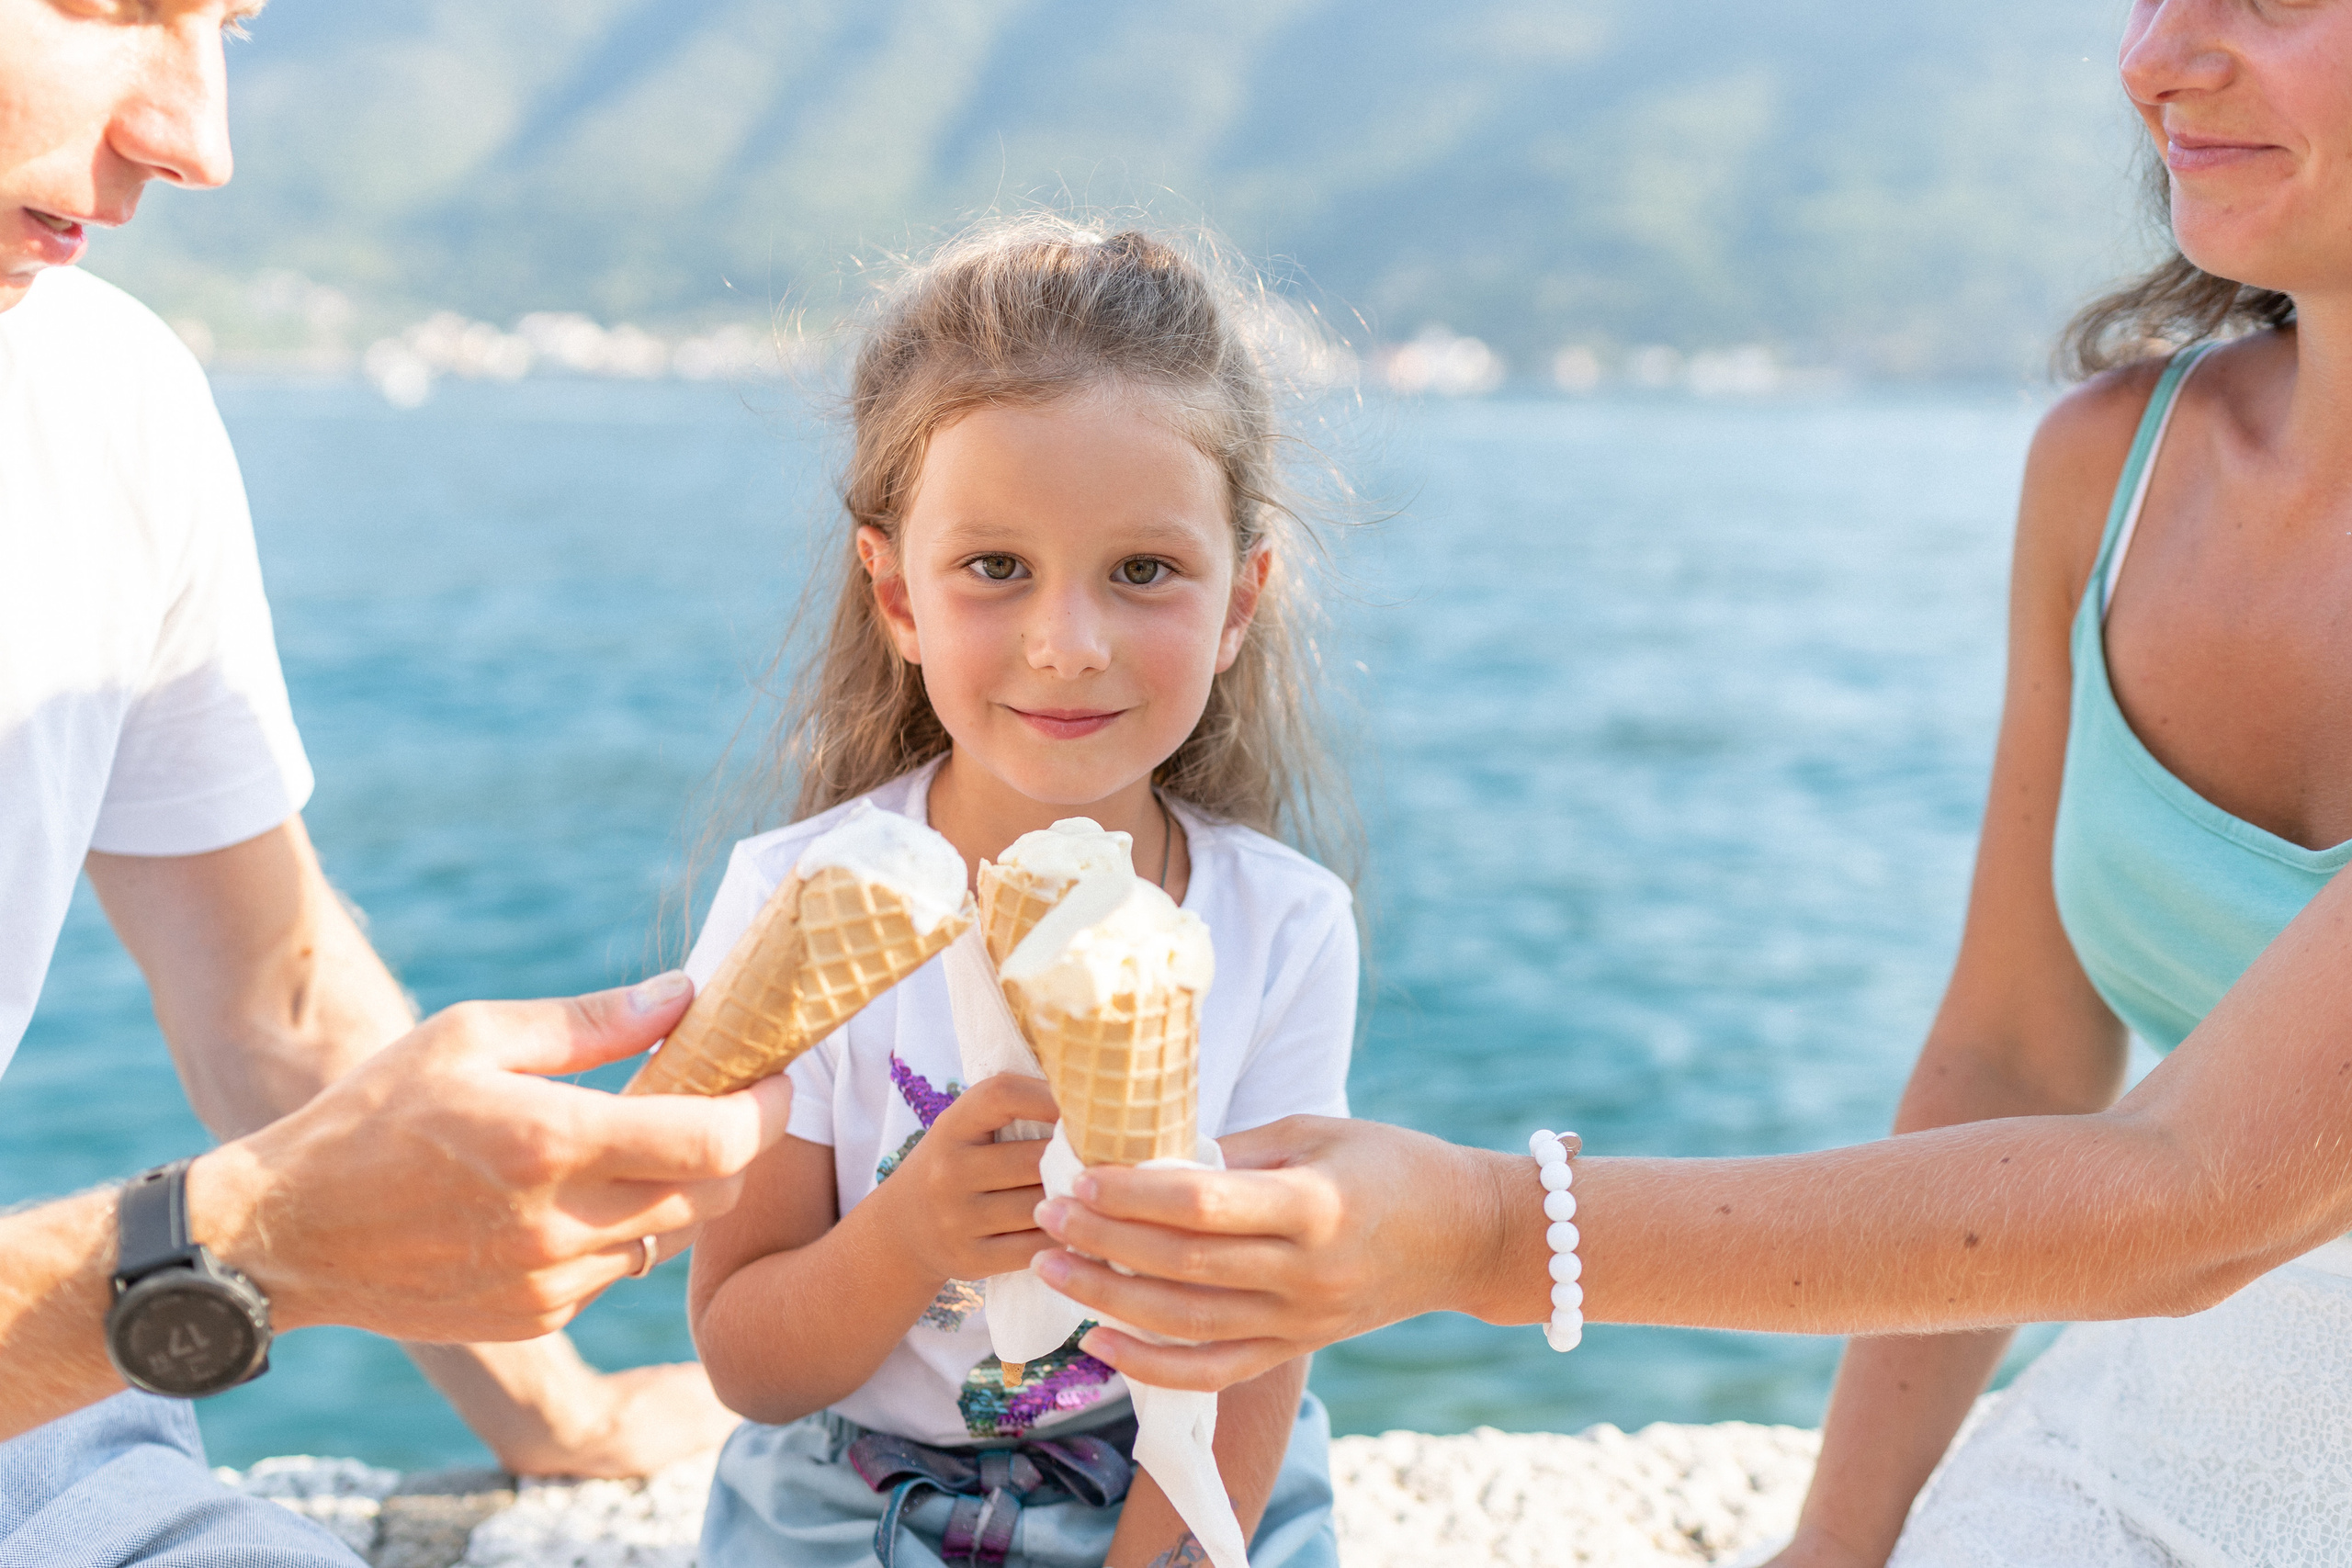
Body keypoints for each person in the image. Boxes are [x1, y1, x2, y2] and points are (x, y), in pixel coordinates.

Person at [1019, 5, 2352, 1565]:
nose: (2154, 56)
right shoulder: (2113, 475)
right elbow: (2012, 1057)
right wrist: (1838, 1544)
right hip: (2186, 1405)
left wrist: (1482, 1230)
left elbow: (2197, 1196)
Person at [0, 3, 788, 1560]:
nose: (197, 143)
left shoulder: (103, 406)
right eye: (112, 3)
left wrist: (555, 1409)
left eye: (225, 23)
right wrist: (239, 1249)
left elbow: (268, 1001)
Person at [685, 220, 1354, 1568]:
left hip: (1178, 1485)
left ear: (1241, 602)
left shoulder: (1282, 927)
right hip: (853, 1493)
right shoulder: (794, 898)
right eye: (997, 568)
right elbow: (749, 1360)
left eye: (1145, 572)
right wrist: (909, 1233)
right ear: (896, 592)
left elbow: (1265, 1349)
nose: (1068, 643)